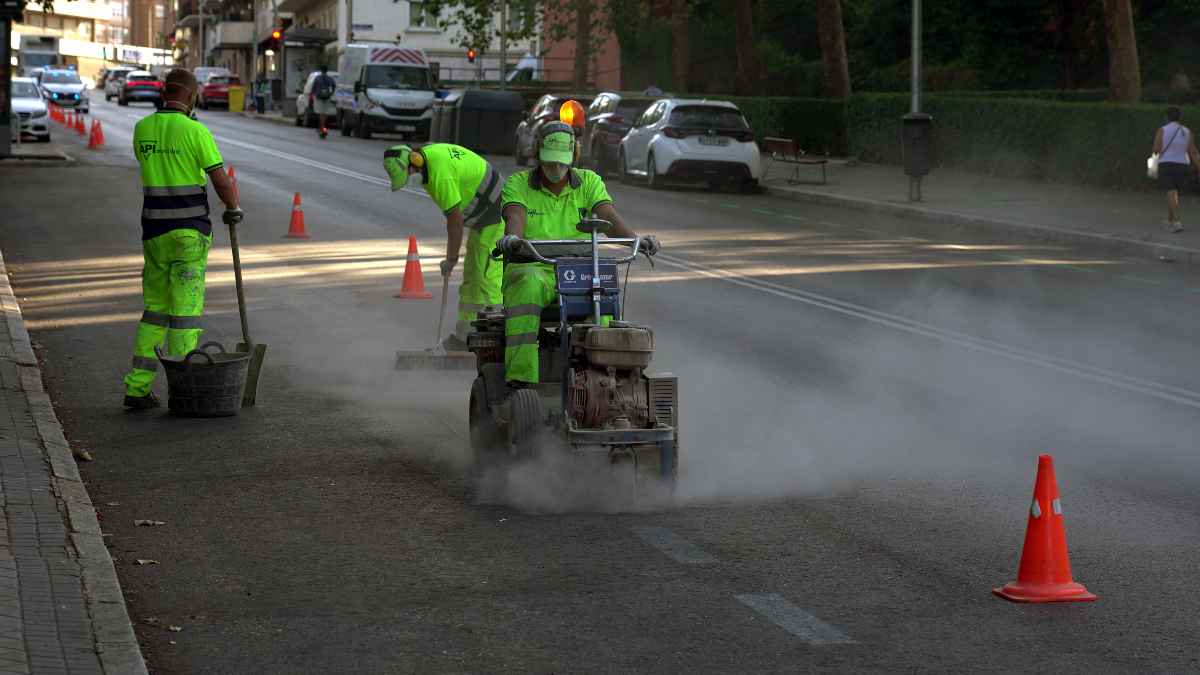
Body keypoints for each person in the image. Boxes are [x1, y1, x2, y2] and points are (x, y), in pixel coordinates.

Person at [495, 119, 658, 390]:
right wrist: (512, 239)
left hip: (578, 269)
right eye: (550, 162)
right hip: (533, 264)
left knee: (603, 296)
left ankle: (603, 379)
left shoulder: (589, 182)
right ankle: (521, 383)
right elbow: (515, 217)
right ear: (537, 154)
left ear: (574, 156)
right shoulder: (518, 184)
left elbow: (607, 215)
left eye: (562, 162)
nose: (556, 168)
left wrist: (636, 240)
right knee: (529, 286)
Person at [122, 68, 243, 409]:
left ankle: (138, 388)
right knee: (185, 314)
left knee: (155, 312)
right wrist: (233, 207)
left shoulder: (142, 129)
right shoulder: (195, 131)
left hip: (154, 233)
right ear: (191, 97)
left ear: (164, 93)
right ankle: (184, 388)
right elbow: (219, 178)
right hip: (189, 233)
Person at [383, 143, 505, 350]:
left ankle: (493, 339)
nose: (411, 183)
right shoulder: (428, 164)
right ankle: (465, 336)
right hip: (483, 219)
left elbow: (454, 221)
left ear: (415, 162)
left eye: (409, 176)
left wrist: (451, 258)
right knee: (472, 277)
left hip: (497, 214)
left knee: (486, 279)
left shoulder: (439, 173)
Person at [1153, 106, 1200, 232]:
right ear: (1180, 117)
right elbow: (1193, 151)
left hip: (1166, 163)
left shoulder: (1162, 130)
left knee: (1170, 191)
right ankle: (1169, 219)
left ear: (1167, 117)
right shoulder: (1187, 131)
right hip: (1182, 165)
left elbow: (1156, 149)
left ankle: (1177, 221)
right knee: (1174, 192)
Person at [311, 65, 337, 139]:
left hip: (319, 97)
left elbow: (313, 87)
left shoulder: (317, 78)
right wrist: (331, 93)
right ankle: (323, 127)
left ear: (321, 70)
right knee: (325, 113)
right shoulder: (330, 78)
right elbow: (334, 86)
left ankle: (322, 128)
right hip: (327, 97)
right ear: (326, 71)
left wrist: (313, 94)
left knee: (321, 113)